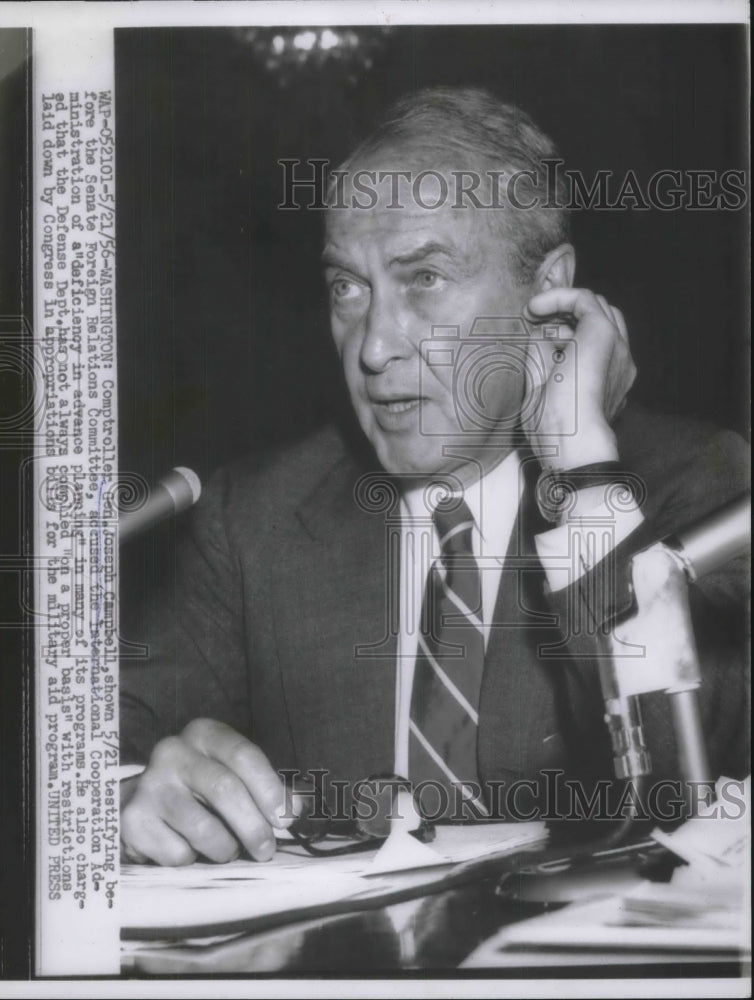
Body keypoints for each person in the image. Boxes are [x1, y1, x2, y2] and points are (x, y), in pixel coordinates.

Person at [120, 87, 749, 867]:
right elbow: (77, 752)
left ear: (547, 291)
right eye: (347, 287)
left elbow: (685, 789)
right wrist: (132, 793)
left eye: (423, 279)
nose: (375, 346)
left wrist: (583, 471)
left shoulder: (697, 485)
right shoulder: (254, 519)